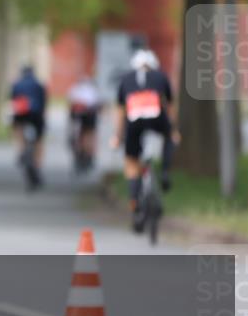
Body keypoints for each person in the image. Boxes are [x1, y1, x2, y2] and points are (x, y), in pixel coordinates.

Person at [110, 49, 180, 231]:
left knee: (131, 162)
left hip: (134, 120)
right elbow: (170, 105)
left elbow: (120, 110)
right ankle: (165, 171)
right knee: (168, 137)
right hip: (157, 118)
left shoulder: (126, 79)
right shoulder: (161, 77)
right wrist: (173, 130)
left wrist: (117, 136)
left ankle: (134, 202)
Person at [9, 64, 47, 187]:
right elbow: (44, 102)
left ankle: (21, 150)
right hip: (36, 114)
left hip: (21, 113)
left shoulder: (17, 84)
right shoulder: (39, 84)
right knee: (39, 140)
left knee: (18, 129)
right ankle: (37, 163)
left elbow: (13, 99)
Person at [67, 74, 102, 169]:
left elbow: (70, 103)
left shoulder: (75, 89)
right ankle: (88, 153)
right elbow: (97, 104)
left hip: (78, 116)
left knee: (80, 134)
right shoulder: (92, 89)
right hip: (88, 115)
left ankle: (82, 152)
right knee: (89, 135)